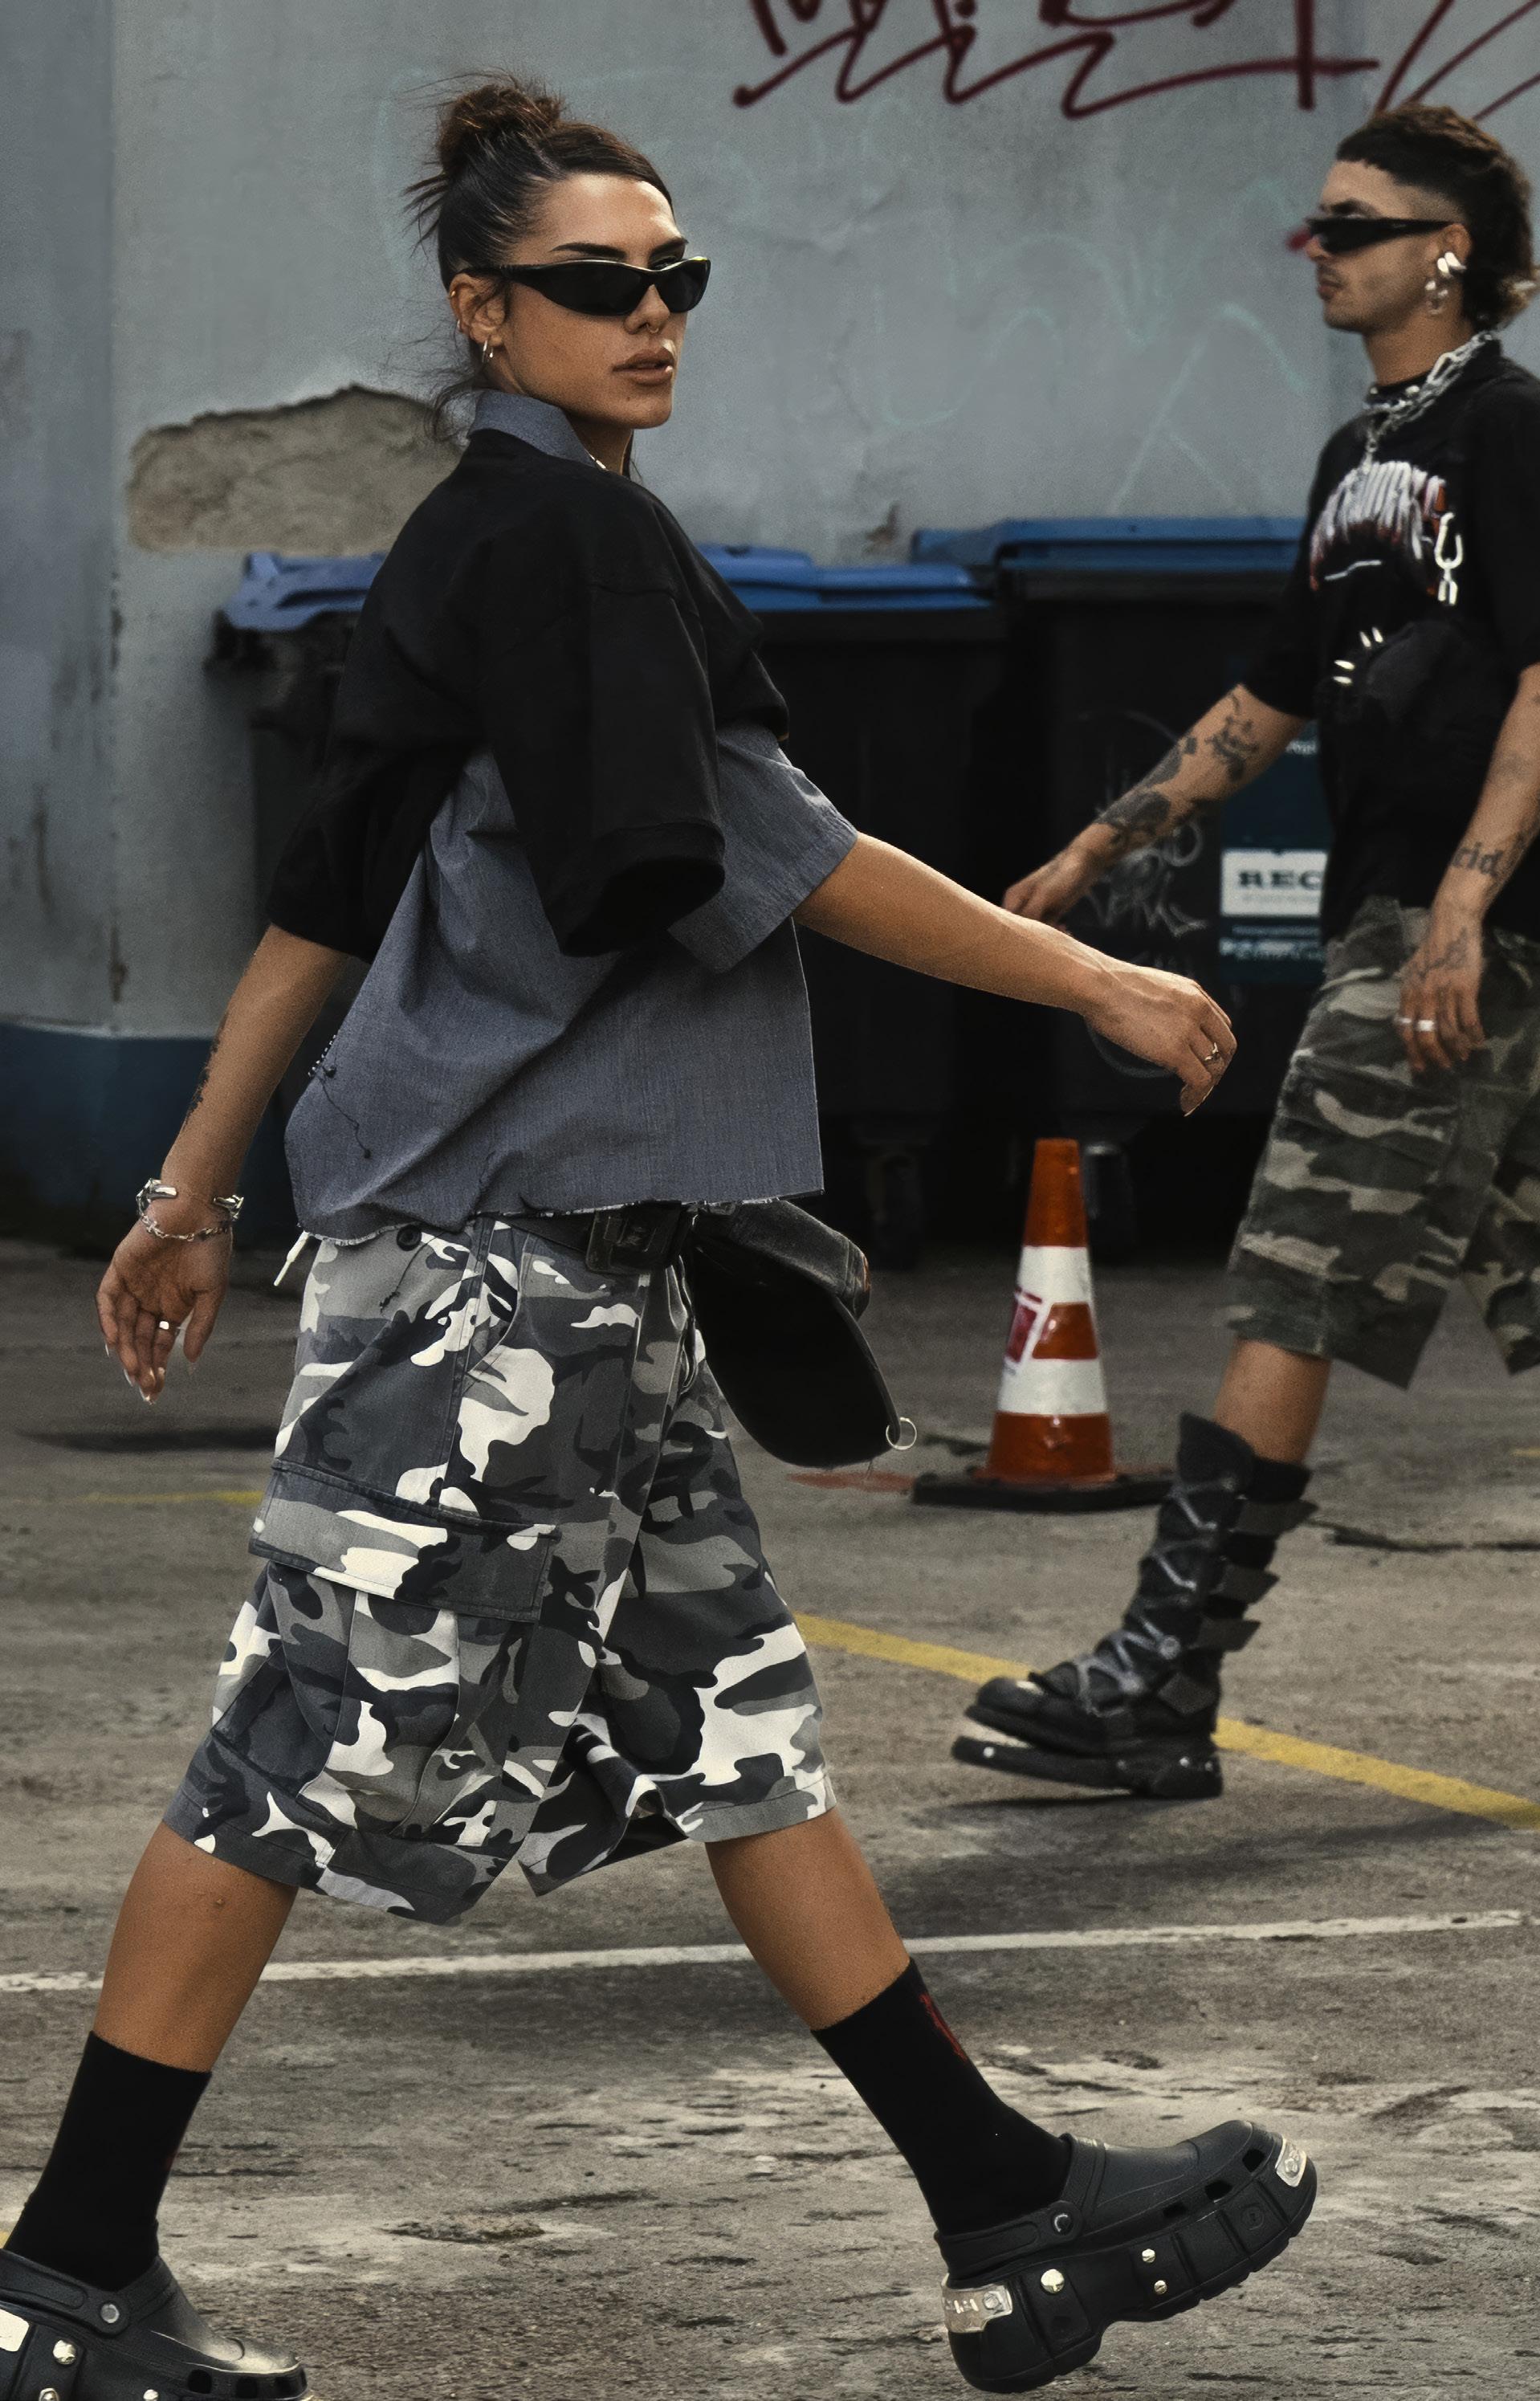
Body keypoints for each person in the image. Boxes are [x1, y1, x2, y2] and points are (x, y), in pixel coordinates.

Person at [0, 79, 1315, 2401]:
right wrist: (1098, 979)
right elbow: (780, 849)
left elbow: (324, 904)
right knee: (292, 1750)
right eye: (598, 282)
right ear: (482, 310)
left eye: (676, 275)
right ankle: (65, 2274)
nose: (652, 314)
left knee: (737, 1734)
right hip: (494, 1282)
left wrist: (192, 1186)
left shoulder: (489, 549)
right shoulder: (565, 550)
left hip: (580, 1279)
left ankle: (1004, 2209)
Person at [958, 100, 1540, 1804]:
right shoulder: (1361, 455)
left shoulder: (1511, 428)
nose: (1322, 249)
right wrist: (1100, 843)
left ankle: (1163, 1677)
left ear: (1448, 253)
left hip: (1463, 921)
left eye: (1356, 225)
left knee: (1297, 1255)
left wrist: (1463, 911)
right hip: (1401, 908)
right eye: (1320, 224)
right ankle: (1160, 1679)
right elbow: (1270, 695)